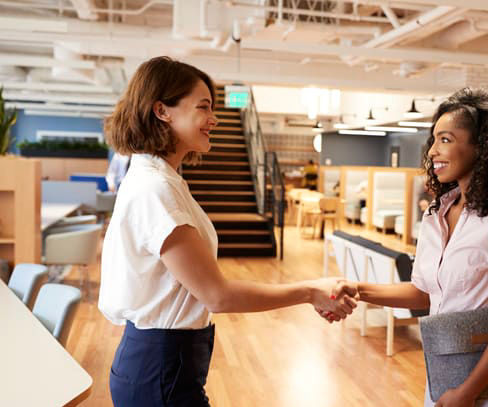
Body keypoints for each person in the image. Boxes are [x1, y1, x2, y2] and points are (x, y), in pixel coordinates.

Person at [98, 56, 355, 407]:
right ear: (162, 111)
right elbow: (217, 296)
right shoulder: (155, 189)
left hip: (164, 365)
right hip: (160, 370)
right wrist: (310, 291)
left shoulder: (162, 180)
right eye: (204, 107)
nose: (214, 119)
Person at [320, 88, 488, 406]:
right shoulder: (436, 213)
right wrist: (356, 289)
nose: (433, 152)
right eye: (434, 140)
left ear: (483, 148)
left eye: (446, 139)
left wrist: (467, 393)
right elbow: (423, 292)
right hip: (444, 373)